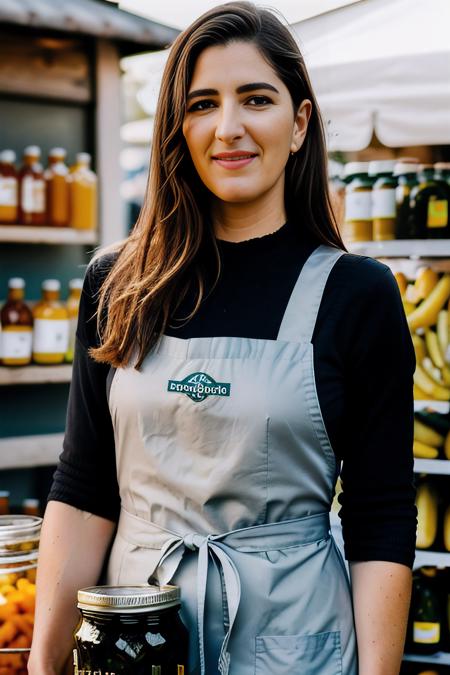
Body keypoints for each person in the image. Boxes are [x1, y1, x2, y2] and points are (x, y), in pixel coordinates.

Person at [29, 3, 417, 674]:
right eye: (203, 103)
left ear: (299, 123)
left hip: (296, 642)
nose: (228, 127)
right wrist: (42, 662)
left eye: (256, 99)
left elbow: (380, 513)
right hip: (130, 639)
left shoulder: (359, 294)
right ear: (178, 127)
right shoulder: (116, 283)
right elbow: (85, 489)